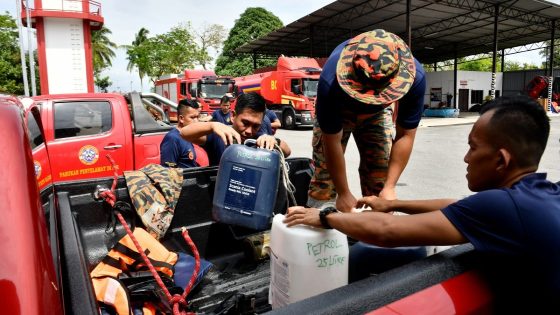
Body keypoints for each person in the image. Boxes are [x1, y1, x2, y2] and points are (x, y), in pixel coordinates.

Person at [286, 96, 559, 310]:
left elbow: (386, 231)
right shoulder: (538, 195)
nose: (466, 158)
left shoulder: (502, 208)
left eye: (473, 147)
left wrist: (324, 217)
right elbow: (459, 205)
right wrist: (394, 204)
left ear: (501, 160)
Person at [307, 29, 426, 212]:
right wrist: (344, 192)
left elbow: (406, 135)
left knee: (380, 182)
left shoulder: (415, 77)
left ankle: (374, 233)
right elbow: (331, 141)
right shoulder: (330, 80)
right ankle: (317, 230)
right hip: (341, 110)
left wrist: (390, 187)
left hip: (378, 115)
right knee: (324, 181)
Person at [180, 92, 291, 166]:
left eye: (256, 126)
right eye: (245, 122)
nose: (249, 131)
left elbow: (287, 152)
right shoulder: (219, 135)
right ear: (233, 116)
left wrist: (275, 141)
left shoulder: (259, 141)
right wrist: (212, 125)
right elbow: (184, 133)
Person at [160, 99, 209, 168]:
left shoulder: (189, 136)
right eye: (192, 117)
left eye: (197, 117)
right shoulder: (172, 138)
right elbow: (168, 170)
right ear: (181, 119)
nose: (196, 121)